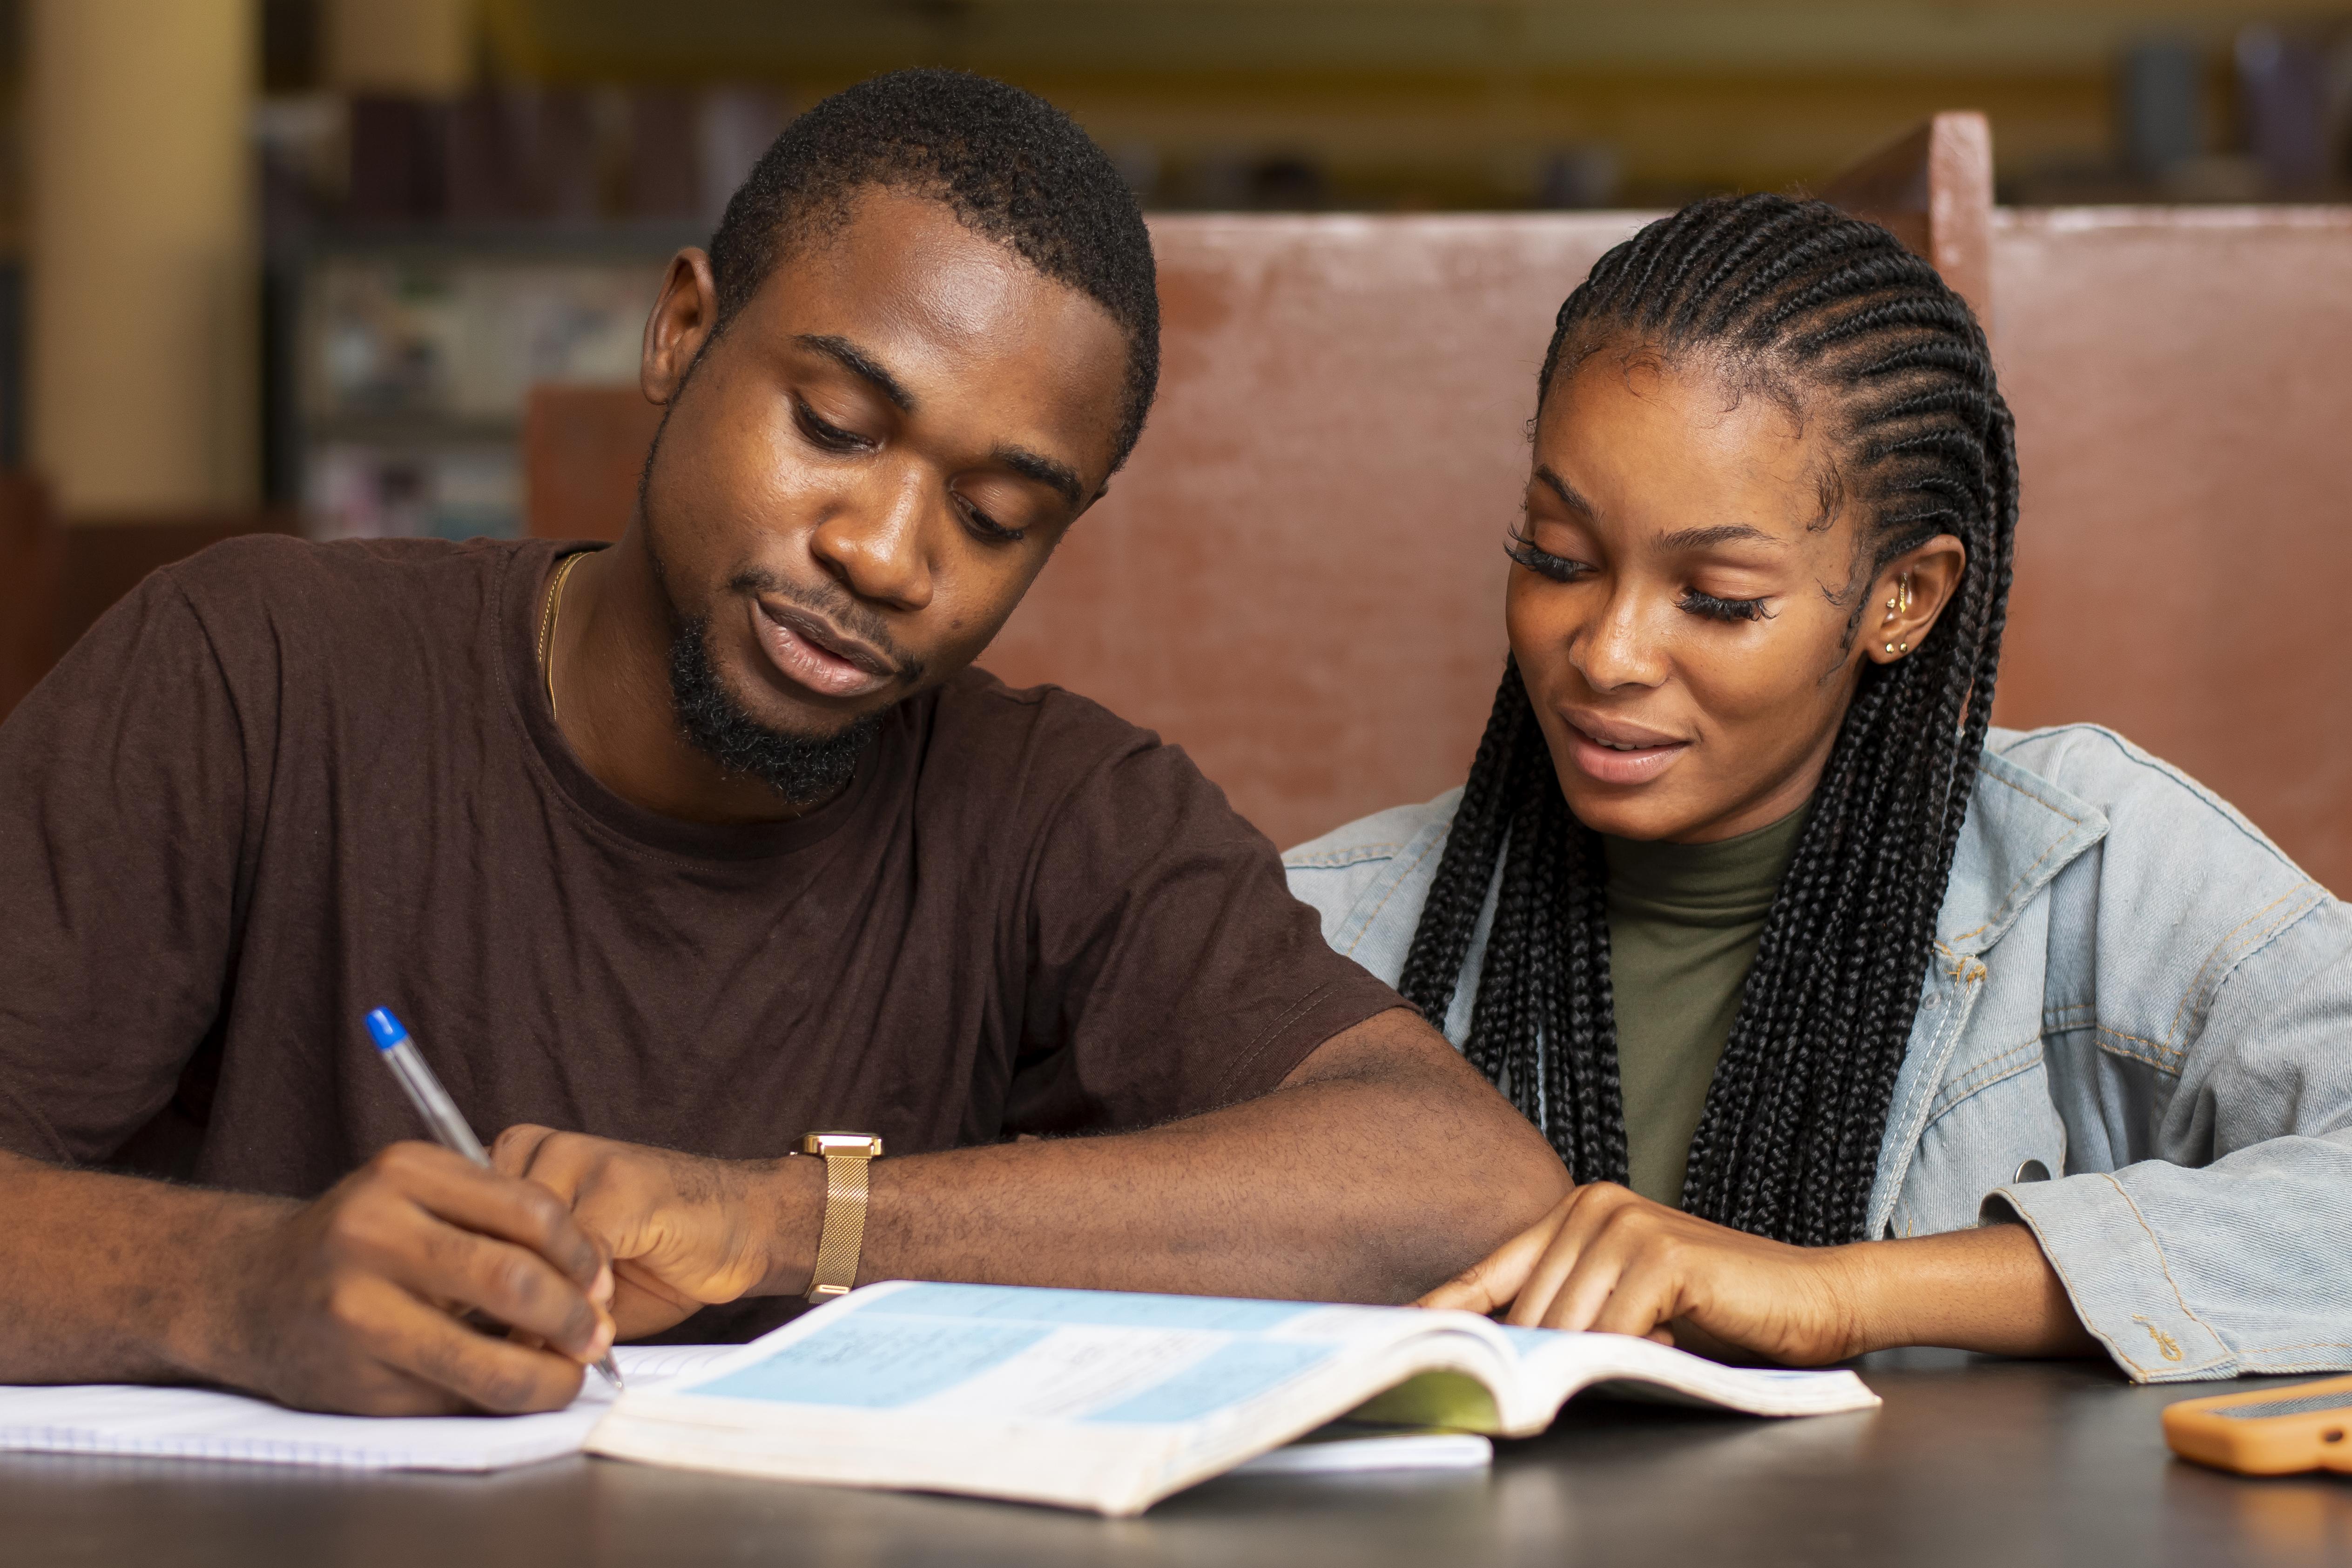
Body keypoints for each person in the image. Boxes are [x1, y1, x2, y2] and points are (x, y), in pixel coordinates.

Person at [0, 71, 1566, 1418]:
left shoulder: (1061, 813)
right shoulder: (258, 673)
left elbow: (1457, 1180)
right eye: (833, 428)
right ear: (681, 330)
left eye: (993, 516)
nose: (887, 554)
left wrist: (784, 1219)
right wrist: (237, 1287)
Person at [1286, 193, 2352, 1383]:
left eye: (1720, 597)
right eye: (1557, 558)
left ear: (1902, 597)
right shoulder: (1335, 926)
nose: (1607, 651)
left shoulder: (2092, 873)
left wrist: (1838, 1294)